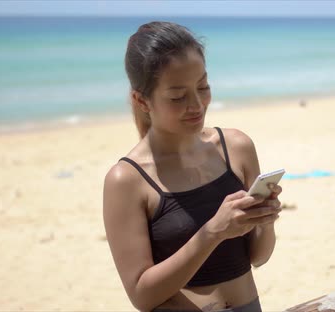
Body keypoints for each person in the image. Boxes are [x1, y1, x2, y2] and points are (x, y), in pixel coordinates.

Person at [102, 21, 283, 312]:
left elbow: (258, 257)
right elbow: (141, 295)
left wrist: (266, 220)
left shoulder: (236, 148)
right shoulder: (127, 180)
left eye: (203, 86)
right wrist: (212, 232)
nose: (197, 104)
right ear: (141, 100)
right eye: (177, 96)